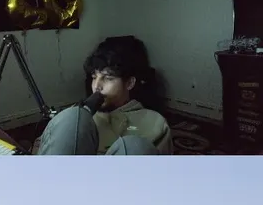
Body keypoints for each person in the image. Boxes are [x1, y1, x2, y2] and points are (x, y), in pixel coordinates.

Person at [36, 39, 172, 155]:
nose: (97, 86)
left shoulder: (155, 122)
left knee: (133, 146)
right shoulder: (76, 116)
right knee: (73, 117)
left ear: (129, 83)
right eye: (94, 77)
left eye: (108, 78)